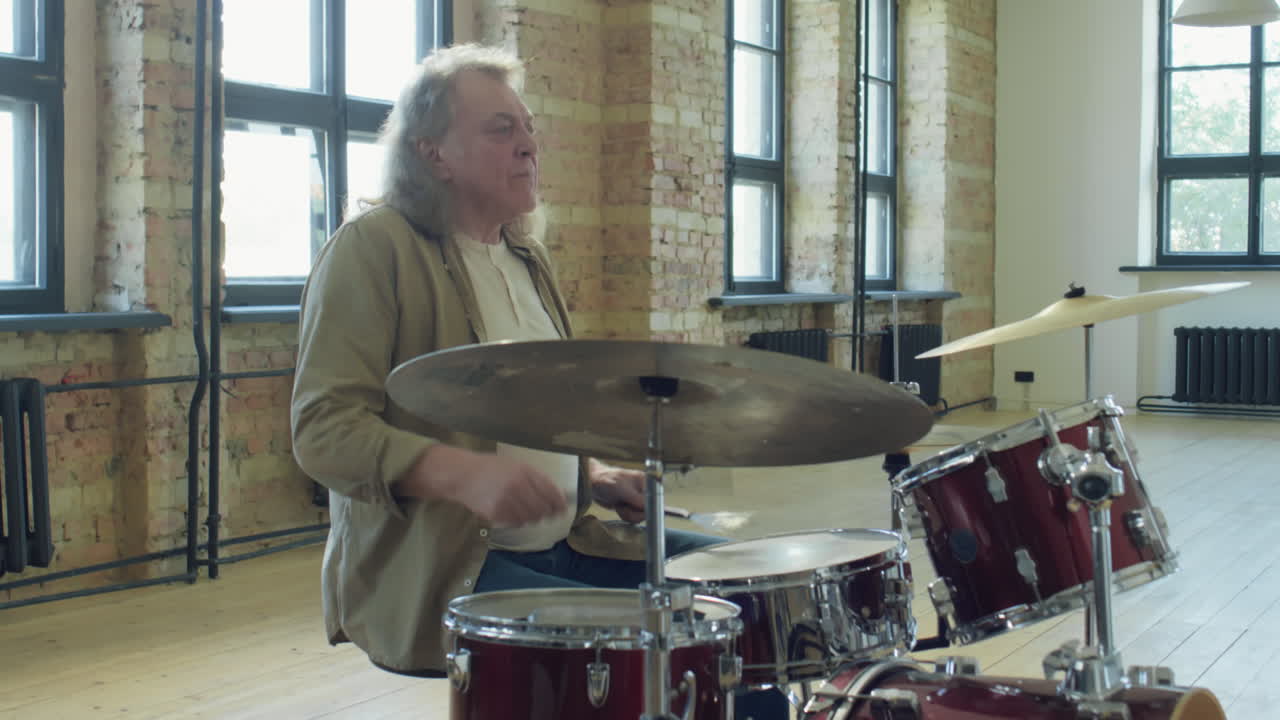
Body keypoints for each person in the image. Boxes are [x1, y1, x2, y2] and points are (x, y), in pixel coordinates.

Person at [290, 43, 788, 718]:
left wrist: (594, 476)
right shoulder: (373, 248)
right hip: (452, 566)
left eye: (528, 128)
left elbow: (528, 421)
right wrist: (463, 475)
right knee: (666, 646)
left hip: (568, 540)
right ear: (433, 153)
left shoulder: (526, 256)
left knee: (748, 594)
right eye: (502, 129)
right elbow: (323, 431)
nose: (529, 145)